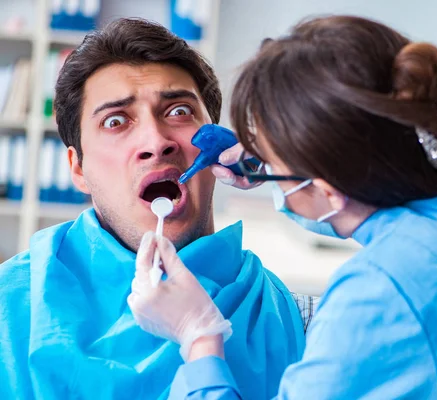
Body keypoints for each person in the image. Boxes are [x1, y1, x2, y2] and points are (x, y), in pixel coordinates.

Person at [128, 15, 437, 399]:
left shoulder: (375, 298)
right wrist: (266, 167)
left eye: (273, 163)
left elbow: (406, 258)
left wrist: (198, 336)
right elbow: (407, 216)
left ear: (328, 188)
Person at [0, 18, 315, 400]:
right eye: (116, 121)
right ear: (78, 169)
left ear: (219, 144)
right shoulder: (11, 310)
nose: (156, 141)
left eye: (179, 112)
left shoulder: (303, 325)